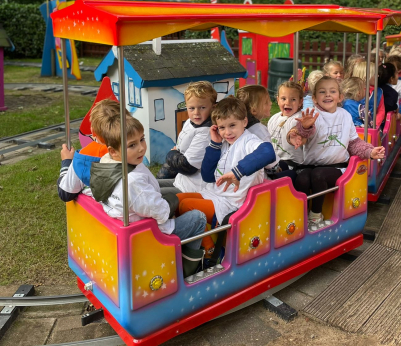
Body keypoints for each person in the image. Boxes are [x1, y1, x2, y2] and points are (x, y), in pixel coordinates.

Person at [59, 111, 206, 250]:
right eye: (132, 145)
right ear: (113, 151)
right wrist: (171, 201)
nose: (141, 148)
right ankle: (187, 263)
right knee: (198, 217)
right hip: (149, 235)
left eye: (142, 139)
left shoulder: (104, 163)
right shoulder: (133, 182)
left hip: (129, 227)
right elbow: (161, 213)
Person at [175, 97, 275, 254]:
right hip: (215, 194)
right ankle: (188, 245)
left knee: (186, 205)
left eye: (232, 125)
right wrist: (214, 144)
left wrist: (238, 172)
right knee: (177, 200)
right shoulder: (223, 143)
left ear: (244, 121)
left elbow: (268, 152)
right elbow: (208, 176)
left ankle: (209, 250)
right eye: (222, 127)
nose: (227, 132)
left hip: (232, 203)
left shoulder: (248, 140)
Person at [291, 76, 385, 228]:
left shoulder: (345, 115)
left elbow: (354, 143)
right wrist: (305, 127)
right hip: (311, 165)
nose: (327, 95)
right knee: (301, 179)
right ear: (314, 98)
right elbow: (304, 132)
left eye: (332, 91)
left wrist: (370, 151)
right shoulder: (312, 116)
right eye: (322, 92)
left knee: (318, 175)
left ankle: (315, 216)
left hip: (337, 167)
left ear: (340, 97)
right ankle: (300, 215)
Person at [157, 81, 217, 197]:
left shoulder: (206, 133)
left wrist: (171, 154)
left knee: (151, 195)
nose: (196, 113)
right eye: (191, 108)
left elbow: (188, 166)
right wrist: (176, 154)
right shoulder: (190, 122)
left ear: (212, 108)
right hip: (181, 180)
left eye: (202, 108)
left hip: (192, 188)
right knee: (148, 186)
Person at [267, 81, 308, 168]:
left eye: (293, 99)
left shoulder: (300, 118)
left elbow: (303, 131)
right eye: (283, 99)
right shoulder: (273, 118)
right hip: (275, 162)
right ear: (278, 100)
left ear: (300, 102)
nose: (288, 102)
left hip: (294, 164)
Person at [351, 60, 385, 128]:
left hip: (372, 126)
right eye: (375, 74)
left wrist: (375, 124)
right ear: (366, 77)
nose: (378, 76)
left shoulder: (379, 92)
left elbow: (381, 110)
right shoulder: (352, 91)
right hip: (354, 126)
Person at [386, 55, 401, 120]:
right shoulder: (383, 81)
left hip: (393, 114)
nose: (389, 69)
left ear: (399, 70)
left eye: (392, 67)